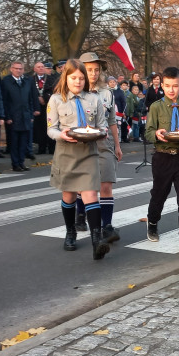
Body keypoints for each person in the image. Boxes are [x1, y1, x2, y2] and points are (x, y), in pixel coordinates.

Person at [47, 59, 110, 259]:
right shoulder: (56, 100)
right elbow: (51, 129)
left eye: (81, 78)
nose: (78, 82)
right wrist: (61, 135)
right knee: (69, 196)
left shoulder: (94, 99)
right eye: (74, 78)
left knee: (91, 194)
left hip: (88, 151)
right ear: (66, 78)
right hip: (66, 153)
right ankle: (70, 231)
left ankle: (97, 240)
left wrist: (103, 132)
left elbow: (102, 124)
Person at [146, 65, 179, 256]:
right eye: (167, 85)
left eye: (175, 86)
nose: (171, 90)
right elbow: (148, 132)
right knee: (159, 195)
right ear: (162, 85)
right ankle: (152, 222)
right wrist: (156, 134)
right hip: (162, 157)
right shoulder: (155, 107)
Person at [74, 52, 123, 241]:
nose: (93, 74)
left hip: (105, 143)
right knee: (85, 186)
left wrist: (117, 145)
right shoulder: (76, 93)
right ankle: (80, 214)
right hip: (83, 144)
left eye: (96, 70)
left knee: (106, 184)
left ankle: (107, 225)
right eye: (89, 70)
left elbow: (112, 121)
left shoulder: (107, 94)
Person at [1, 60, 37, 173]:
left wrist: (31, 114)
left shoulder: (27, 81)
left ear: (23, 70)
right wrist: (7, 117)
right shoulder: (6, 81)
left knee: (24, 142)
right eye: (16, 68)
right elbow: (4, 101)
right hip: (13, 117)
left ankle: (21, 162)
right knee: (14, 142)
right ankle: (15, 163)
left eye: (20, 68)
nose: (18, 70)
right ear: (11, 69)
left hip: (25, 116)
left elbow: (31, 98)